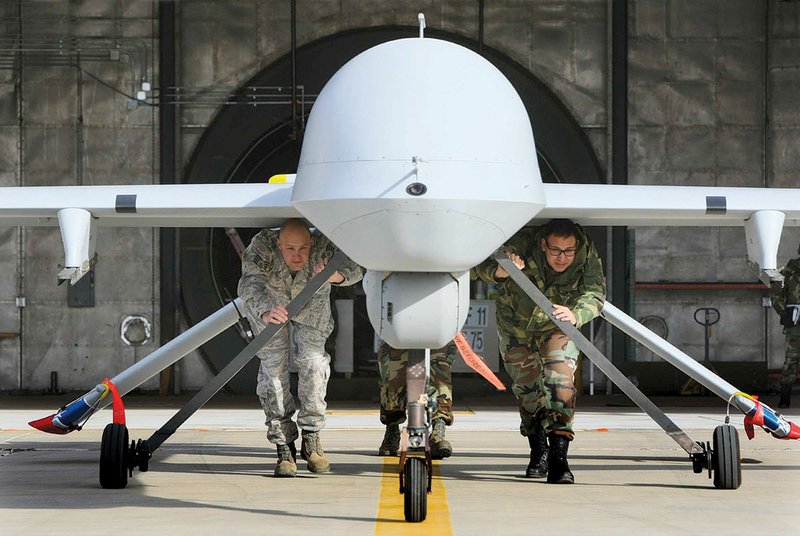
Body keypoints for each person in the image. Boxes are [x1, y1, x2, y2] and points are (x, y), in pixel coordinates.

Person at [474, 219, 605, 484]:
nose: (563, 258)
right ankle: (538, 449)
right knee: (528, 392)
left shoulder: (586, 254)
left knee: (561, 383)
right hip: (516, 329)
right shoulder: (520, 245)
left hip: (557, 326)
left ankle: (559, 456)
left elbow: (595, 293)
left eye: (569, 251)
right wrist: (500, 272)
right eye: (556, 250)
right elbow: (478, 267)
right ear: (543, 245)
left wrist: (576, 314)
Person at [238, 219, 363, 477]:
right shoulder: (262, 245)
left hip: (312, 307)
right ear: (278, 244)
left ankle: (312, 437)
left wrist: (336, 276)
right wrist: (263, 312)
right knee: (273, 375)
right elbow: (249, 283)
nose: (297, 256)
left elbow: (357, 266)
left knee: (315, 365)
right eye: (290, 249)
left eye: (303, 249)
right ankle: (283, 445)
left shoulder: (324, 243)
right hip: (271, 308)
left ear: (311, 243)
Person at [376, 342, 457, 459]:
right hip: (400, 333)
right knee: (392, 367)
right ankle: (392, 427)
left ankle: (438, 430)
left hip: (435, 332)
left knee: (440, 367)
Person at [768, 243, 800, 408]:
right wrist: (783, 313)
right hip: (795, 325)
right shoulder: (789, 270)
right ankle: (785, 398)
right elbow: (775, 293)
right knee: (790, 362)